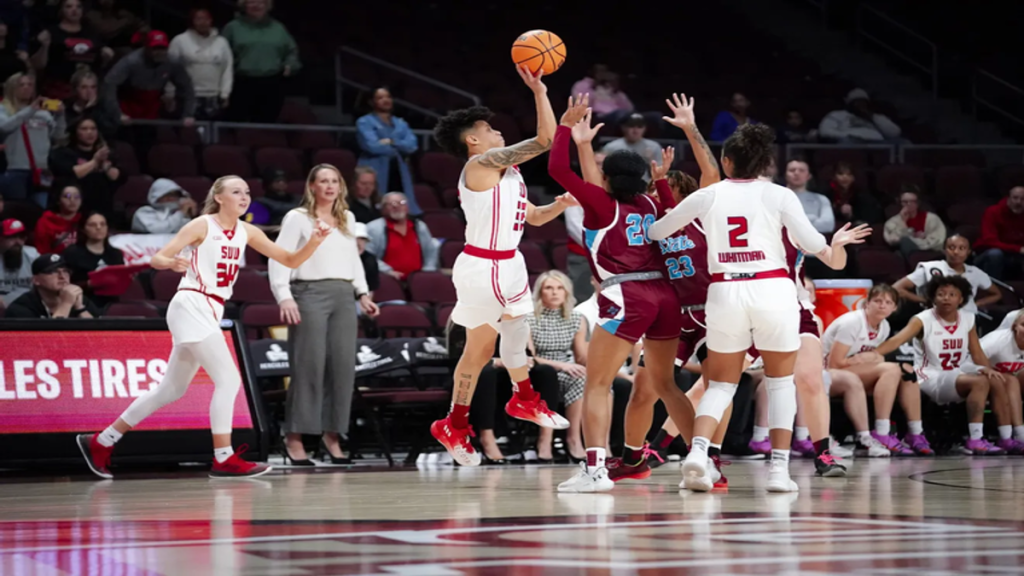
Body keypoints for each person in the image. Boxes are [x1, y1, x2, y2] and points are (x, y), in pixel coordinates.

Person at [77, 175, 331, 479]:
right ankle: (223, 457)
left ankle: (101, 441)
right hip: (192, 301)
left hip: (211, 307)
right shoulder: (202, 225)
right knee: (228, 380)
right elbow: (158, 257)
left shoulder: (247, 231)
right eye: (236, 191)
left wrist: (315, 242)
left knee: (171, 389)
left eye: (247, 191)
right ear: (219, 197)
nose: (244, 196)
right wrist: (170, 263)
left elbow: (289, 260)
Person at [649, 123, 852, 493]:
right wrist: (834, 244)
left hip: (725, 290)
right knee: (779, 385)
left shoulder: (707, 195)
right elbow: (814, 245)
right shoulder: (779, 196)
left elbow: (657, 233)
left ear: (726, 161)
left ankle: (697, 451)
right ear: (764, 164)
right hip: (773, 289)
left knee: (720, 384)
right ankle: (778, 472)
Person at [429, 65, 573, 467]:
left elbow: (535, 218)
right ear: (473, 139)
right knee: (488, 346)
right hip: (484, 265)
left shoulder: (506, 174)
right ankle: (494, 408)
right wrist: (540, 92)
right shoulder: (481, 165)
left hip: (508, 262)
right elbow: (545, 139)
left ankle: (481, 414)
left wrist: (558, 205)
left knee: (502, 343)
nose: (498, 133)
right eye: (490, 130)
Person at [550, 96, 689, 494]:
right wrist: (582, 144)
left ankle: (595, 470)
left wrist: (565, 129)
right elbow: (661, 203)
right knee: (667, 385)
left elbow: (558, 169)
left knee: (597, 384)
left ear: (607, 179)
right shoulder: (650, 201)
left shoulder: (600, 205)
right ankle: (706, 458)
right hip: (666, 295)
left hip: (628, 294)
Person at [606, 92, 728, 485]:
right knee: (645, 389)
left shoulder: (702, 215)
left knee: (715, 387)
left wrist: (690, 127)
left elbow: (713, 176)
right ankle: (632, 457)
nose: (662, 196)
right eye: (659, 190)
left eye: (668, 189)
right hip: (672, 315)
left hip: (711, 312)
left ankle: (711, 460)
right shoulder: (653, 223)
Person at [270, 164, 380, 465]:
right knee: (309, 367)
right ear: (312, 186)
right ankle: (294, 437)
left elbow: (353, 260)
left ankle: (331, 435)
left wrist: (362, 292)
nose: (329, 186)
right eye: (323, 181)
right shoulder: (298, 218)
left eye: (334, 181)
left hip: (344, 296)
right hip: (309, 293)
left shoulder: (348, 218)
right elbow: (279, 257)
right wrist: (284, 295)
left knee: (342, 368)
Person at [872, 276, 1008, 455]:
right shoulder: (922, 319)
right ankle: (975, 439)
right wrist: (873, 354)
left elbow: (976, 353)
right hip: (930, 376)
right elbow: (897, 340)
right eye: (941, 294)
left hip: (957, 372)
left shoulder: (968, 319)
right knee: (980, 382)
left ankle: (1007, 438)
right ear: (932, 297)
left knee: (996, 379)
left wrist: (988, 369)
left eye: (952, 294)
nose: (946, 298)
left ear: (961, 299)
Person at [821, 283, 933, 455]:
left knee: (908, 373)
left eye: (888, 302)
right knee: (890, 369)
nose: (882, 305)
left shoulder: (884, 327)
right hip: (828, 375)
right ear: (867, 303)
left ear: (894, 308)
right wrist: (865, 359)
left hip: (852, 374)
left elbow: (870, 360)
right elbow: (833, 365)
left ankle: (915, 433)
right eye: (878, 301)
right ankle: (881, 432)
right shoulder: (852, 323)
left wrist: (872, 358)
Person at [525, 271, 589, 461]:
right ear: (540, 292)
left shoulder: (577, 319)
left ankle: (574, 438)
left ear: (567, 292)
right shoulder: (528, 319)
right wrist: (562, 366)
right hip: (539, 368)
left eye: (560, 288)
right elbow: (531, 357)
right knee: (549, 375)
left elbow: (580, 357)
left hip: (568, 366)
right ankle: (545, 439)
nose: (555, 292)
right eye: (549, 288)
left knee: (584, 378)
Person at [222, 0, 300, 123]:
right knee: (237, 123)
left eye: (260, 2)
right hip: (241, 83)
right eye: (251, 2)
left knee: (266, 125)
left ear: (267, 5)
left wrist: (290, 65)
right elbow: (222, 54)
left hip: (271, 83)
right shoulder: (232, 28)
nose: (256, 5)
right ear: (244, 6)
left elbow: (291, 51)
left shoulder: (278, 28)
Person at [102, 30, 196, 125]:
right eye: (155, 48)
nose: (159, 52)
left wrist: (188, 114)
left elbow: (186, 86)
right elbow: (109, 83)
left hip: (153, 107)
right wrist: (116, 113)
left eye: (163, 48)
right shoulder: (131, 61)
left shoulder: (172, 61)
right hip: (129, 105)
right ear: (146, 47)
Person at [0, 72, 66, 204]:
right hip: (15, 170)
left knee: (39, 213)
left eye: (30, 84)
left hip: (41, 170)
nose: (26, 88)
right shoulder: (3, 109)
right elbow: (4, 127)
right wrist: (31, 109)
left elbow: (57, 137)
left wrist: (60, 116)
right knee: (17, 211)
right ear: (12, 88)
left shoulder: (43, 112)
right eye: (21, 85)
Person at [894, 234, 1000, 315]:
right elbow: (896, 288)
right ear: (944, 250)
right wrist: (924, 300)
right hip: (935, 318)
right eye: (951, 247)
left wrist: (976, 304)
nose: (956, 252)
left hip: (968, 319)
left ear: (968, 252)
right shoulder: (930, 268)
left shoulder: (976, 272)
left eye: (961, 248)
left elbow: (997, 294)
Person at [356, 87, 420, 215]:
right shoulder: (364, 122)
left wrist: (391, 142)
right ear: (371, 102)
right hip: (375, 169)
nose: (386, 100)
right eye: (380, 98)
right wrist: (400, 146)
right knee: (374, 208)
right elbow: (372, 146)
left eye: (388, 97)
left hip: (399, 170)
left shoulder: (401, 123)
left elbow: (412, 146)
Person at [31, 0, 113, 100]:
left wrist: (106, 58)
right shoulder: (51, 32)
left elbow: (100, 65)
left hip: (88, 86)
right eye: (69, 7)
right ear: (61, 11)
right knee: (53, 108)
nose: (74, 10)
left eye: (78, 7)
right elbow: (38, 65)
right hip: (59, 86)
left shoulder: (92, 32)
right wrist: (44, 46)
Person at [168, 8, 233, 120]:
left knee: (211, 132)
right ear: (192, 21)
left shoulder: (222, 42)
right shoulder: (179, 40)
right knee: (188, 132)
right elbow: (169, 69)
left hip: (213, 96)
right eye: (198, 19)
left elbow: (227, 69)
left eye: (206, 19)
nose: (202, 22)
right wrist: (169, 93)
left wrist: (225, 93)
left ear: (211, 20)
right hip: (186, 96)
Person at [49, 117, 121, 214]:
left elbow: (115, 176)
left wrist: (105, 165)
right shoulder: (63, 153)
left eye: (93, 129)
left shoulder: (104, 152)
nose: (90, 132)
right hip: (74, 206)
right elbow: (75, 173)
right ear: (75, 132)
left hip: (101, 204)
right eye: (84, 129)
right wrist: (95, 161)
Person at [365, 192, 437, 280]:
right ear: (383, 209)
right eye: (391, 204)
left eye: (402, 203)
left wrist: (427, 272)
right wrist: (388, 271)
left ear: (407, 207)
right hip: (388, 280)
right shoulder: (373, 228)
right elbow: (368, 256)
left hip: (418, 282)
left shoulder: (419, 226)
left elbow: (431, 252)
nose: (397, 206)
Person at [978, 313, 1024, 454]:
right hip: (981, 379)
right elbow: (967, 361)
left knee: (1012, 379)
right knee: (1009, 380)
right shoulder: (996, 341)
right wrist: (986, 369)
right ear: (1015, 327)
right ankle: (1016, 435)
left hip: (1011, 382)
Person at [4, 252, 99, 317]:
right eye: (53, 271)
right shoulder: (21, 308)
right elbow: (45, 342)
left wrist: (79, 308)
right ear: (36, 280)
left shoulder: (80, 300)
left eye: (66, 271)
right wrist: (66, 304)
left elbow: (99, 336)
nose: (62, 276)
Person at [975, 186, 1024, 280]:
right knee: (995, 254)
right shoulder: (993, 212)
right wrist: (1018, 249)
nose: (1018, 202)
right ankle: (992, 288)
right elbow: (990, 242)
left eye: (1023, 199)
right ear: (1008, 198)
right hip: (987, 254)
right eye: (1015, 198)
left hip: (1015, 254)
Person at [62, 210, 123, 286]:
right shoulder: (72, 253)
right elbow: (64, 282)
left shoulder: (116, 254)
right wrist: (88, 284)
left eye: (103, 224)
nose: (98, 227)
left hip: (111, 296)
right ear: (83, 229)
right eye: (92, 225)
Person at [819, 88, 902, 143]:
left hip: (877, 144)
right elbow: (825, 131)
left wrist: (872, 117)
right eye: (857, 102)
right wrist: (849, 136)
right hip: (853, 142)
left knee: (902, 142)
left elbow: (895, 133)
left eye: (863, 102)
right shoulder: (838, 114)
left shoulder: (876, 117)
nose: (860, 105)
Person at [884, 187, 946, 259]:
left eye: (913, 201)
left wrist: (913, 240)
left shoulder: (932, 218)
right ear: (900, 203)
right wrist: (903, 223)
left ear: (918, 203)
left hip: (930, 254)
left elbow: (938, 242)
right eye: (905, 202)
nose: (909, 204)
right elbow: (893, 241)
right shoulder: (892, 222)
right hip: (908, 256)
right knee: (904, 243)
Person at [600, 113, 662, 181]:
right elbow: (601, 171)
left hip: (644, 186)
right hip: (617, 186)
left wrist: (651, 160)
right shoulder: (611, 147)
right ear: (623, 127)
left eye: (640, 126)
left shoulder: (654, 147)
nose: (636, 131)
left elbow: (661, 174)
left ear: (645, 128)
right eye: (631, 126)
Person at [63, 69, 118, 140]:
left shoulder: (104, 107)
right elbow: (68, 131)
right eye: (84, 87)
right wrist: (86, 110)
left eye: (93, 87)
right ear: (75, 89)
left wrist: (92, 110)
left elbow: (109, 130)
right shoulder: (67, 107)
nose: (89, 91)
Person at [785, 157, 834, 234]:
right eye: (792, 170)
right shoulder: (776, 197)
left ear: (809, 176)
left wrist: (791, 221)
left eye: (802, 170)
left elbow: (828, 225)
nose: (796, 173)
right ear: (785, 174)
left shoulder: (821, 199)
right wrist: (812, 218)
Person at [131, 178, 197, 234]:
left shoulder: (176, 213)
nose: (170, 198)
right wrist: (181, 213)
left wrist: (189, 215)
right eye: (166, 195)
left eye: (174, 195)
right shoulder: (144, 212)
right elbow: (158, 231)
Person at [829, 161, 882, 227]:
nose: (845, 177)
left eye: (849, 174)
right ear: (834, 176)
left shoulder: (861, 194)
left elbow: (869, 216)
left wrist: (852, 215)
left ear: (854, 178)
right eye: (841, 174)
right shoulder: (827, 192)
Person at [34, 182, 81, 254]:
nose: (72, 200)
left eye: (77, 197)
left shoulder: (86, 220)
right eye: (67, 196)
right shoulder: (45, 222)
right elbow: (42, 251)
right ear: (58, 200)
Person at [0, 218, 37, 304]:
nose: (17, 241)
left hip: (28, 305)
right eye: (11, 237)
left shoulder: (33, 256)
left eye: (21, 237)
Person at [352, 222, 378, 298]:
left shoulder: (370, 260)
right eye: (354, 238)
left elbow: (370, 291)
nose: (358, 243)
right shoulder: (335, 259)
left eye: (363, 239)